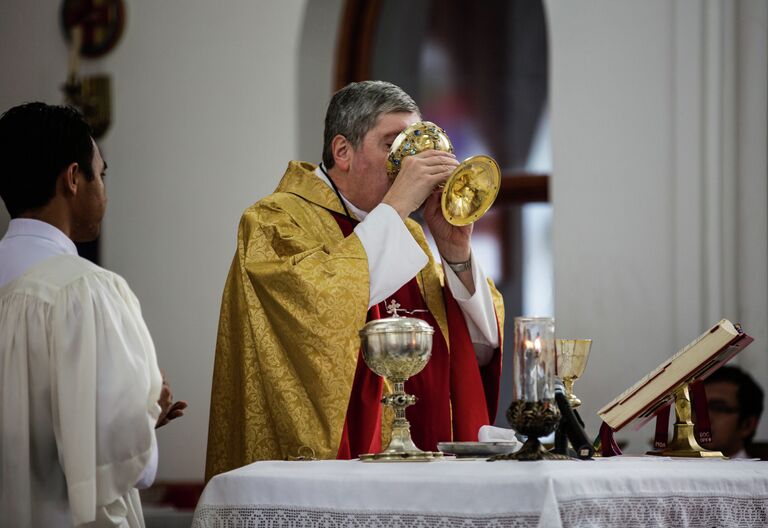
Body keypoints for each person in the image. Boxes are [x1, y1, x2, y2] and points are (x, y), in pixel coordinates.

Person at [206, 80, 503, 479]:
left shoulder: (409, 235)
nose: (409, 162)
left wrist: (455, 253)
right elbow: (317, 316)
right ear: (342, 151)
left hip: (428, 471)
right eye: (394, 146)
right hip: (339, 473)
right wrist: (398, 204)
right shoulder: (273, 222)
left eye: (416, 145)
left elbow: (476, 353)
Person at [0, 102, 187, 527]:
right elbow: (121, 467)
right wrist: (140, 422)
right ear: (72, 178)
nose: (103, 188)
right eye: (100, 175)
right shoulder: (86, 290)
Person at [704, 365, 764, 458]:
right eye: (697, 406)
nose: (702, 417)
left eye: (718, 408)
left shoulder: (761, 472)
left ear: (747, 425)